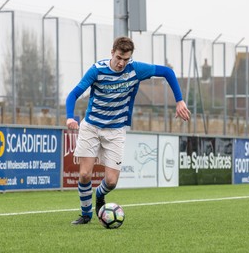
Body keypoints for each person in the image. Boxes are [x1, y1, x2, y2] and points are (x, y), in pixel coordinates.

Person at [66, 36, 191, 224]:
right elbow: (73, 94)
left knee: (111, 181)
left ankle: (99, 196)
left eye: (125, 59)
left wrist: (179, 100)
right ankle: (86, 214)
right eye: (118, 58)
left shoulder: (135, 69)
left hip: (115, 130)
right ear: (112, 52)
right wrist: (70, 116)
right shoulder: (97, 70)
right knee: (84, 174)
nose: (121, 63)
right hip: (91, 126)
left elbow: (168, 72)